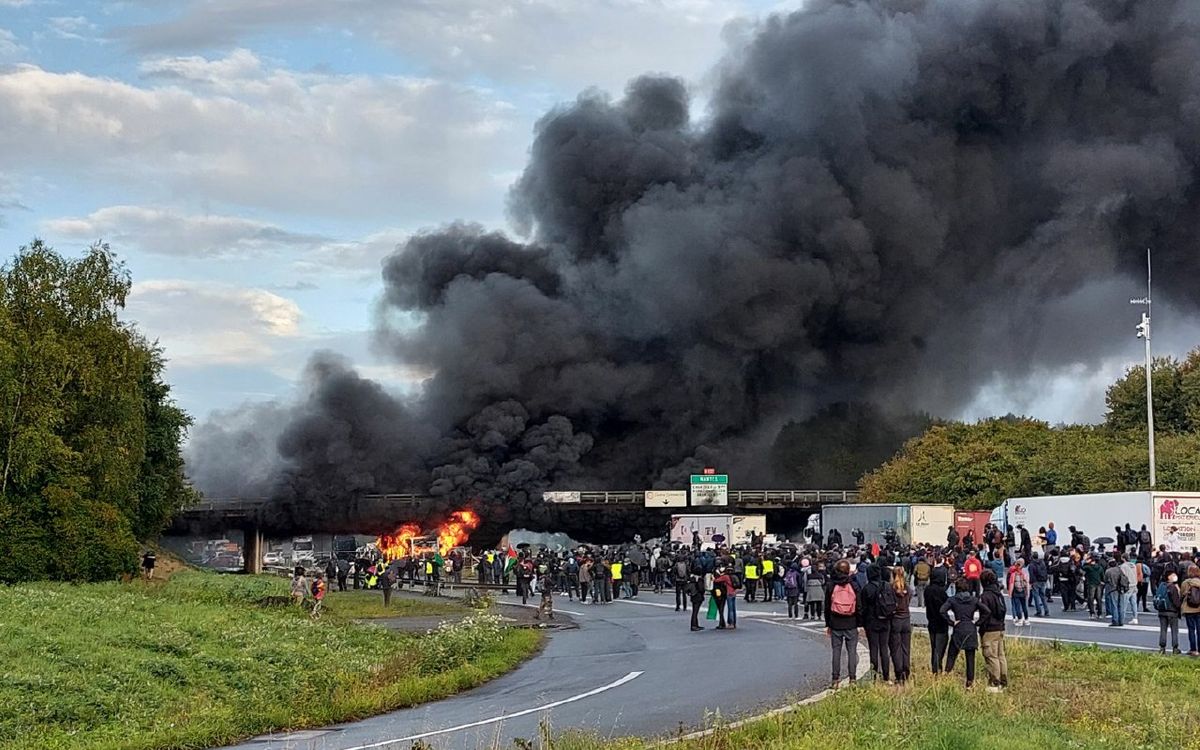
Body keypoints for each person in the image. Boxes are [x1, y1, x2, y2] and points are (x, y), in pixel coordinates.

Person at [824, 558, 862, 689]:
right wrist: (859, 623)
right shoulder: (854, 584)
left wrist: (828, 624)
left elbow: (827, 606)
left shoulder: (831, 585)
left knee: (836, 652)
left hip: (835, 622)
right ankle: (852, 679)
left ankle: (835, 680)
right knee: (852, 652)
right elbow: (859, 606)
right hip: (851, 622)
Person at [940, 578, 980, 688]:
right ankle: (970, 683)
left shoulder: (953, 600)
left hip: (958, 628)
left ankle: (947, 675)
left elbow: (942, 610)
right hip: (970, 628)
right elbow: (986, 611)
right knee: (970, 658)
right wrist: (977, 623)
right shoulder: (974, 600)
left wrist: (951, 622)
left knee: (952, 655)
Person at [976, 569, 1008, 692]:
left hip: (989, 629)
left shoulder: (985, 596)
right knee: (1001, 655)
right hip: (1000, 627)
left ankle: (994, 682)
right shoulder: (998, 594)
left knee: (991, 656)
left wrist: (979, 625)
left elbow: (985, 613)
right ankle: (1003, 682)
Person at [862, 564, 894, 682]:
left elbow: (863, 608)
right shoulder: (887, 586)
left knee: (873, 649)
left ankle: (874, 676)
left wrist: (862, 623)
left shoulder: (867, 588)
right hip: (886, 620)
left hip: (871, 621)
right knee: (884, 648)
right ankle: (886, 676)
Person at [888, 566, 912, 684]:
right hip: (906, 618)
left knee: (896, 648)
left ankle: (898, 673)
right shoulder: (908, 588)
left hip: (896, 619)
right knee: (906, 648)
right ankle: (906, 671)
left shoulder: (892, 588)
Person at [924, 567, 950, 674]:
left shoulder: (928, 590)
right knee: (940, 649)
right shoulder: (941, 592)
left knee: (934, 648)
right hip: (941, 623)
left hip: (931, 621)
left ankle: (935, 669)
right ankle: (937, 670)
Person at [1155, 571, 1183, 654]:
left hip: (1162, 611)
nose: (1175, 576)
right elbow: (1176, 601)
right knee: (1174, 630)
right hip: (1172, 612)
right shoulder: (1172, 587)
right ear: (1168, 577)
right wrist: (1179, 608)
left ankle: (1162, 648)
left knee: (1163, 630)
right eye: (1173, 575)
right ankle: (1175, 648)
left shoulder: (1161, 585)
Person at [1180, 565, 1200, 655]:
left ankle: (1193, 649)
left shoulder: (1185, 583)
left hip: (1188, 609)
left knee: (1191, 629)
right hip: (1199, 609)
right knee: (1199, 630)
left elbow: (1181, 595)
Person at [1103, 558, 1127, 627]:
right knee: (1121, 605)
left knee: (1114, 605)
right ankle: (1121, 621)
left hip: (1112, 589)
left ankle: (1115, 620)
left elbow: (1105, 580)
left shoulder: (1108, 571)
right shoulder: (1119, 570)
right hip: (1121, 588)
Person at [1007, 558, 1031, 626]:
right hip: (1023, 591)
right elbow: (1027, 583)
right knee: (1024, 606)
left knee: (1017, 606)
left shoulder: (1013, 574)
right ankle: (1026, 619)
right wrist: (1028, 592)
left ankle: (1020, 619)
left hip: (1016, 592)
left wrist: (1010, 593)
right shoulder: (1024, 573)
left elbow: (1011, 584)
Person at [688, 567, 707, 632]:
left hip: (693, 595)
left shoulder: (692, 578)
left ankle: (695, 625)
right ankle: (694, 626)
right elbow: (701, 589)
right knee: (695, 612)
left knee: (694, 611)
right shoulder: (699, 579)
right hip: (698, 596)